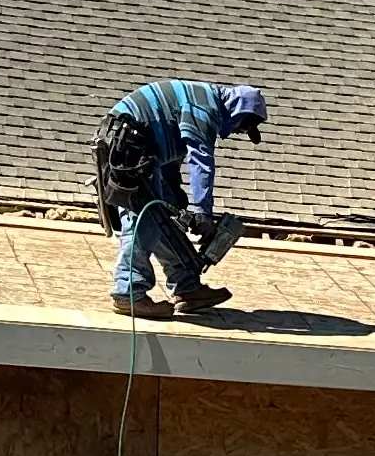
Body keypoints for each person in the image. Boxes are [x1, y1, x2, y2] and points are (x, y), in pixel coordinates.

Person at [102, 79, 268, 316]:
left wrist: (176, 202)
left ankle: (186, 286)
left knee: (161, 217)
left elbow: (168, 158)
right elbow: (201, 158)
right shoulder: (206, 107)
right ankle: (128, 293)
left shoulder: (199, 102)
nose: (235, 133)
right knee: (144, 219)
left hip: (135, 145)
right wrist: (203, 213)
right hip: (129, 144)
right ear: (237, 110)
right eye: (241, 127)